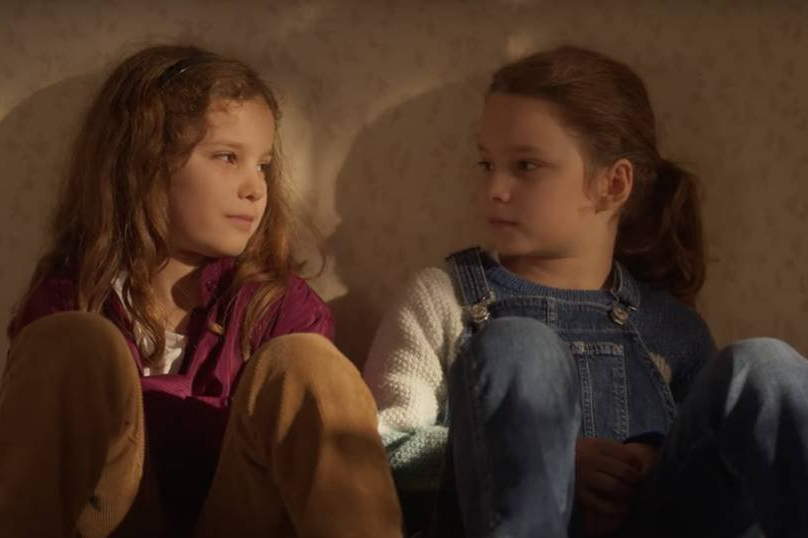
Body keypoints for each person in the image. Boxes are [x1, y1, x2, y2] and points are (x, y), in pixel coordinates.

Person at [364, 45, 808, 538]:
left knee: (767, 366)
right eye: (487, 164)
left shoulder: (671, 329)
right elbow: (381, 453)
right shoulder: (443, 298)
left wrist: (651, 458)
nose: (494, 189)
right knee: (519, 345)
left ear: (613, 185)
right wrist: (543, 456)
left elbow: (711, 468)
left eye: (526, 165)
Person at [0, 44, 402, 538]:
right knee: (73, 340)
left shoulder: (282, 308)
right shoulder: (68, 299)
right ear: (145, 165)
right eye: (227, 157)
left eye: (263, 164)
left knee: (307, 362)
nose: (256, 188)